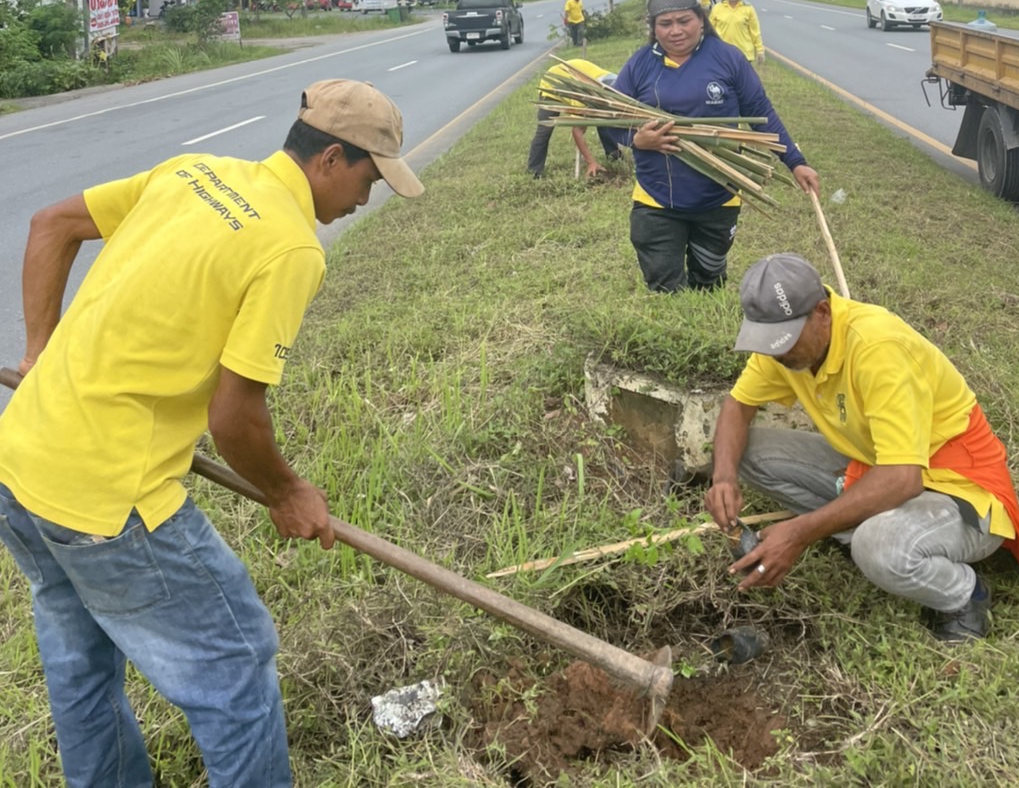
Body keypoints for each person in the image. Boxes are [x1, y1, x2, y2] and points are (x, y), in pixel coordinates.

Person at [0, 79, 424, 788]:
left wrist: (38, 353)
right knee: (235, 667)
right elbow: (234, 419)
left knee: (80, 662)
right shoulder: (291, 249)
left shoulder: (194, 172)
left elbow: (52, 224)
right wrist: (287, 493)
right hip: (110, 500)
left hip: (20, 460)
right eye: (368, 178)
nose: (365, 197)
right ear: (329, 159)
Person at [706, 254, 1019, 643]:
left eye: (784, 342)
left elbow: (902, 479)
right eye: (768, 343)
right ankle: (859, 528)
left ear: (822, 312)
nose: (777, 355)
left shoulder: (879, 348)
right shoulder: (784, 351)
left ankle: (963, 593)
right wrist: (723, 478)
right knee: (749, 453)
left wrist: (800, 532)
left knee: (878, 546)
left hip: (960, 491)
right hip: (878, 465)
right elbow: (738, 406)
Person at [612, 0, 819, 292]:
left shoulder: (727, 58)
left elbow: (760, 113)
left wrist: (795, 161)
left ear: (702, 19)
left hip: (718, 195)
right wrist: (637, 139)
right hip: (656, 197)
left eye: (684, 20)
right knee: (664, 290)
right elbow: (610, 118)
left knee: (709, 282)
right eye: (665, 24)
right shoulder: (640, 65)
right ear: (653, 27)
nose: (675, 31)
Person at [527, 58, 623, 178]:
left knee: (604, 119)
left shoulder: (617, 83)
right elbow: (577, 131)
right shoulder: (585, 97)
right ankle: (534, 172)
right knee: (545, 129)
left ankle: (614, 157)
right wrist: (591, 162)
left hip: (575, 71)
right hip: (552, 84)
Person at [710, 0, 765, 64]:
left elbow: (755, 31)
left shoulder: (748, 9)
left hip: (744, 54)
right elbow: (709, 31)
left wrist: (760, 50)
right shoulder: (717, 8)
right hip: (722, 54)